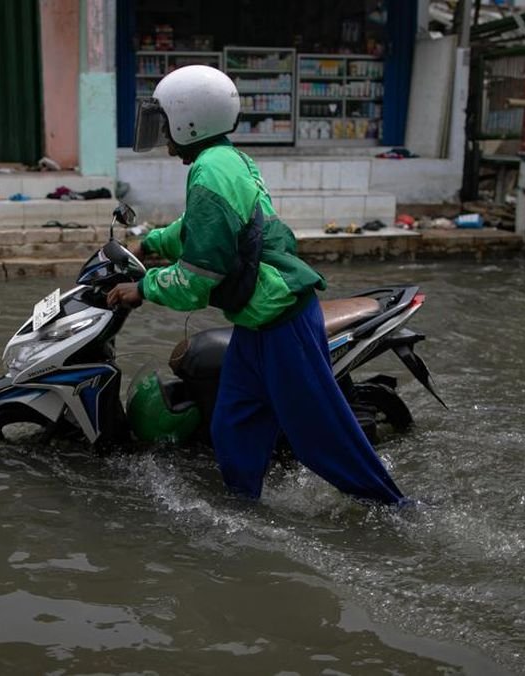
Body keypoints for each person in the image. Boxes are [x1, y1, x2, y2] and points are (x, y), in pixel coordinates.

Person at [106, 65, 406, 505]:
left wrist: (144, 288)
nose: (165, 137)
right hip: (257, 321)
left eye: (167, 124)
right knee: (235, 421)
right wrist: (152, 242)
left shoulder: (210, 172)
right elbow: (201, 227)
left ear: (190, 120)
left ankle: (395, 510)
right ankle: (242, 506)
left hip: (281, 319)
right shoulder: (227, 160)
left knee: (319, 436)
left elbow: (198, 276)